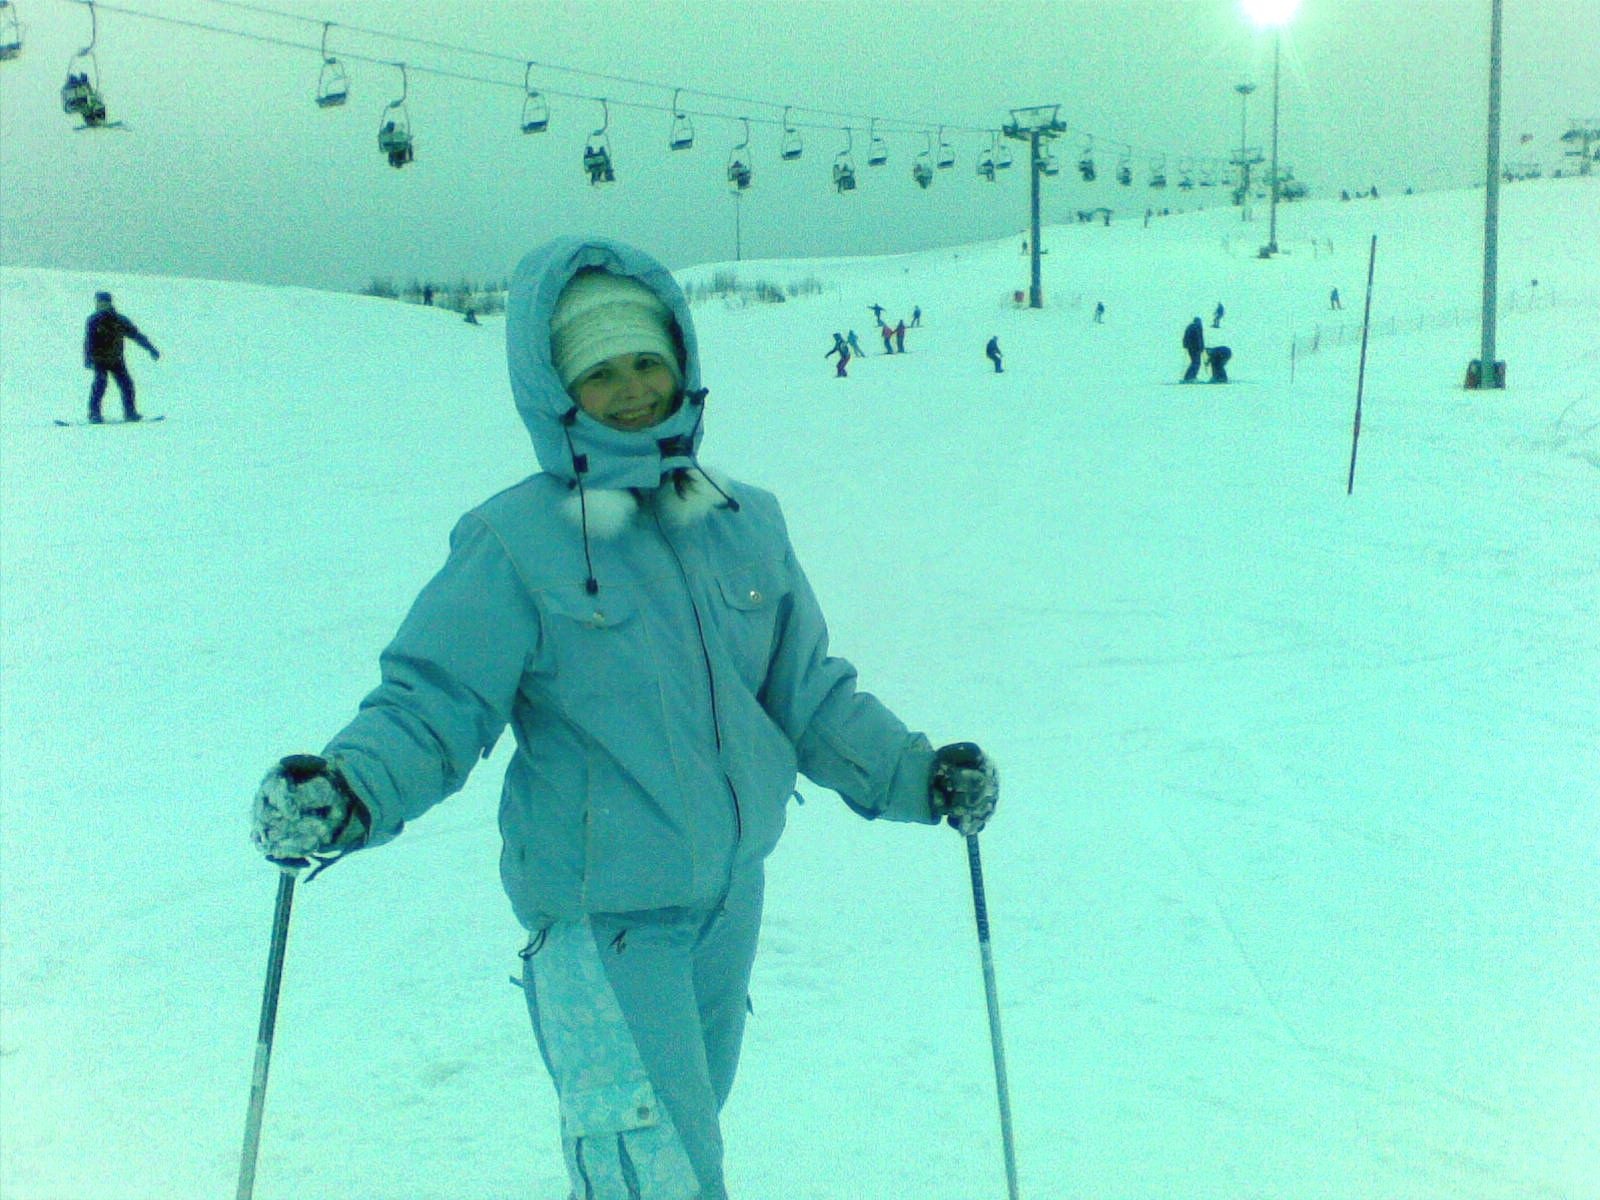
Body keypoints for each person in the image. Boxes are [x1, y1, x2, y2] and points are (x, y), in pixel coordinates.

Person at [248, 235, 998, 1200]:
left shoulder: (739, 517)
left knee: (668, 1160)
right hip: (602, 925)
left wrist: (916, 774)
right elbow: (435, 699)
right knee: (657, 1178)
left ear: (682, 360)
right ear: (555, 390)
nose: (633, 389)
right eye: (599, 372)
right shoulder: (517, 540)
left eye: (647, 360)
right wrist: (351, 786)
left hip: (727, 904)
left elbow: (807, 692)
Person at [83, 291, 159, 423]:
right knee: (100, 384)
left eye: (103, 302)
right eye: (99, 302)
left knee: (127, 385)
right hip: (99, 360)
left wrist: (150, 348)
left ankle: (130, 413)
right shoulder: (93, 320)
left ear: (109, 303)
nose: (100, 305)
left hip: (116, 359)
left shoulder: (119, 320)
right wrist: (88, 358)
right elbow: (88, 341)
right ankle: (94, 414)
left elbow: (136, 335)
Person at [1181, 316, 1205, 382]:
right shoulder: (1197, 327)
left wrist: (1186, 345)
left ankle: (1188, 377)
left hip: (1191, 348)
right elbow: (1199, 339)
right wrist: (1201, 347)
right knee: (1196, 363)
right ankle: (1190, 377)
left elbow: (1186, 337)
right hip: (1195, 348)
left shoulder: (1190, 327)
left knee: (1194, 362)